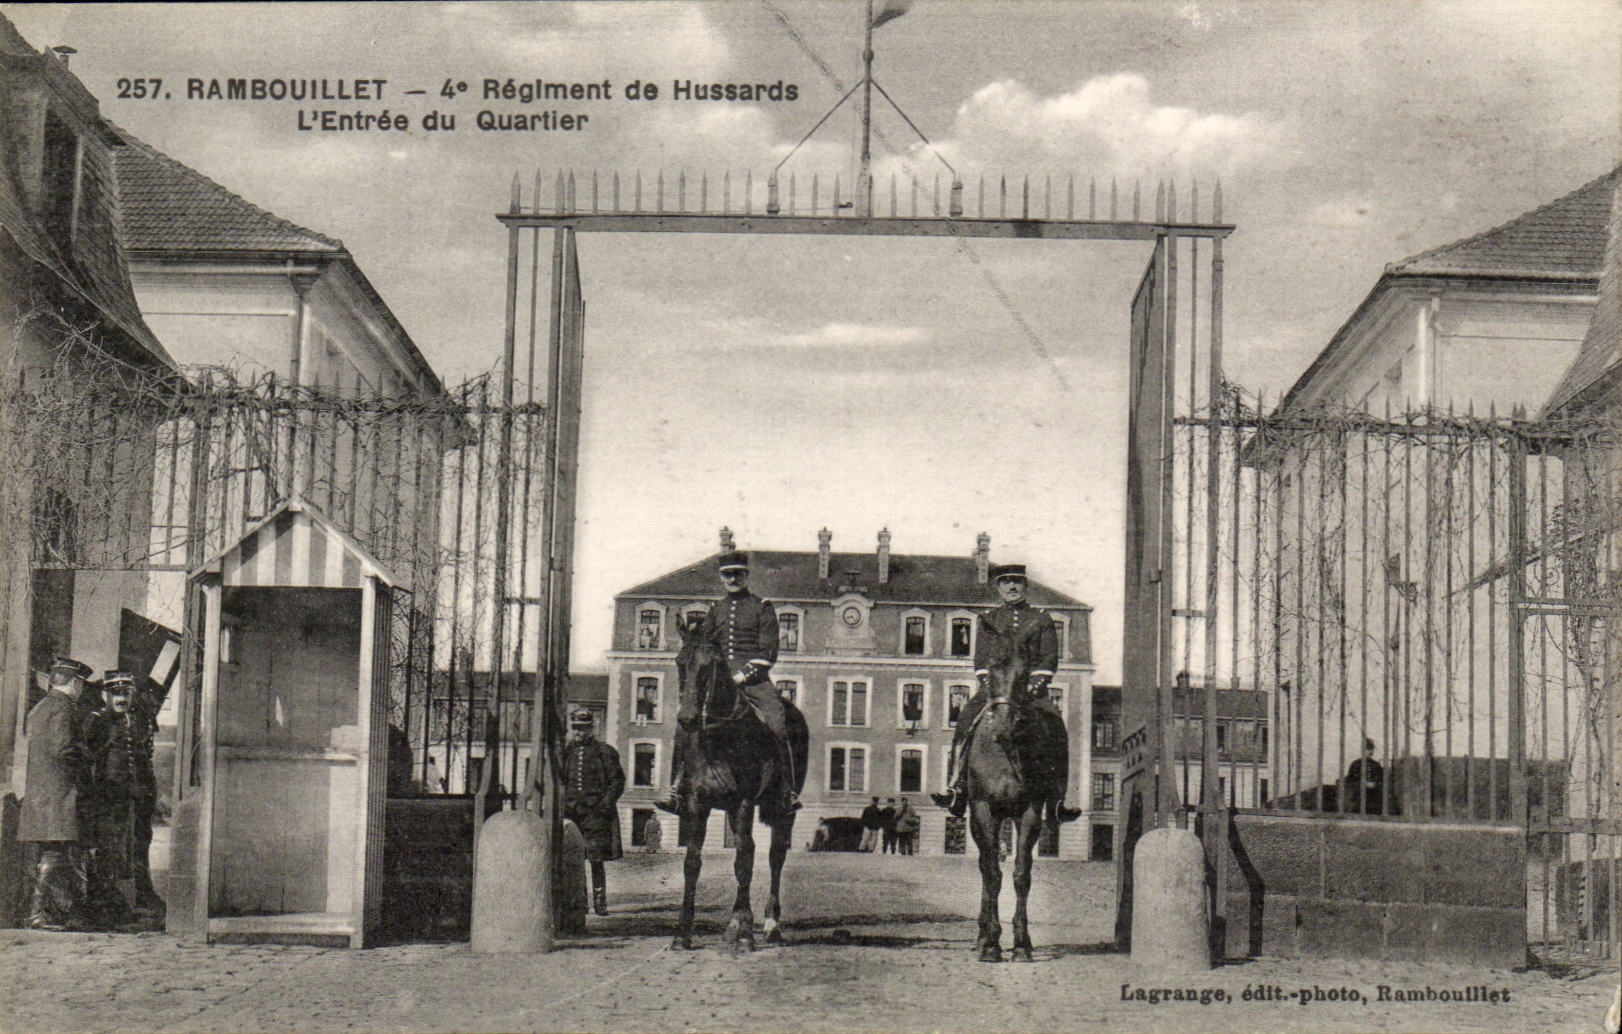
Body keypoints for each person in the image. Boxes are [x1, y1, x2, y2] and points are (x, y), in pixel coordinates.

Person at [931, 563, 1084, 828]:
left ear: (1025, 586)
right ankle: (955, 788)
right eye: (1006, 582)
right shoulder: (989, 620)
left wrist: (1031, 687)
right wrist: (994, 687)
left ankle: (1058, 801)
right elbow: (982, 660)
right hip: (995, 691)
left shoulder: (1041, 619)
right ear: (999, 587)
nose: (1012, 587)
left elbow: (1048, 660)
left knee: (1057, 728)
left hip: (1031, 693)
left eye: (1017, 582)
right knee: (965, 722)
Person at [656, 551, 800, 815]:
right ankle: (676, 789)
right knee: (684, 727)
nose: (732, 579)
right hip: (718, 682)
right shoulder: (716, 609)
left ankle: (786, 792)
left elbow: (768, 652)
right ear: (722, 577)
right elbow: (707, 645)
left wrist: (743, 675)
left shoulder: (762, 607)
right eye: (727, 574)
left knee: (778, 725)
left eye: (738, 573)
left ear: (746, 575)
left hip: (754, 682)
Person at [19, 657, 92, 931]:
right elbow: (63, 750)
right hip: (60, 796)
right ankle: (41, 914)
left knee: (50, 854)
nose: (82, 689)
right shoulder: (64, 708)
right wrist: (87, 759)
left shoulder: (40, 707)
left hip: (41, 796)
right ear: (75, 682)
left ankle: (46, 913)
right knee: (56, 855)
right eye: (81, 684)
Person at [557, 709, 625, 916]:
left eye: (583, 728)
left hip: (595, 814)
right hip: (571, 813)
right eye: (576, 728)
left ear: (591, 728)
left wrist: (604, 804)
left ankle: (600, 901)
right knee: (571, 858)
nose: (579, 732)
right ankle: (579, 901)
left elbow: (617, 781)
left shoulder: (604, 752)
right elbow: (561, 780)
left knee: (595, 858)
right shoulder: (567, 753)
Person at [1344, 738, 1386, 815]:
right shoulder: (1356, 764)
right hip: (1358, 798)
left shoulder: (1376, 765)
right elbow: (1350, 781)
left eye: (1370, 749)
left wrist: (1375, 784)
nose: (1368, 751)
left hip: (1373, 799)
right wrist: (1364, 784)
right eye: (1366, 748)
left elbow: (1381, 781)